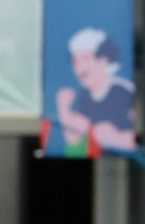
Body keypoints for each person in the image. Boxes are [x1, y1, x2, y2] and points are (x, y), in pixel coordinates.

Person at [54, 27, 137, 155]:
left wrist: (113, 136)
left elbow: (130, 135)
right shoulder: (85, 95)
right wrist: (63, 109)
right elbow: (73, 138)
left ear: (104, 60)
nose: (79, 68)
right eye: (75, 62)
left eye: (85, 59)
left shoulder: (122, 92)